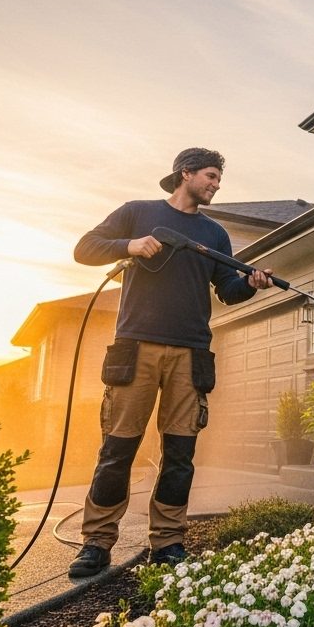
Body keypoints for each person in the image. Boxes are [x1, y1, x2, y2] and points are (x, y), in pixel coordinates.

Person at [68, 147, 273, 577]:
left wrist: (251, 284)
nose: (216, 184)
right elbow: (84, 249)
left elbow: (228, 290)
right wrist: (129, 245)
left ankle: (167, 541)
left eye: (218, 179)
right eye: (211, 176)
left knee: (180, 453)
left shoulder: (214, 234)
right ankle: (97, 542)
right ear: (186, 173)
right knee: (117, 448)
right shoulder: (137, 212)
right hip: (136, 347)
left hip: (190, 352)